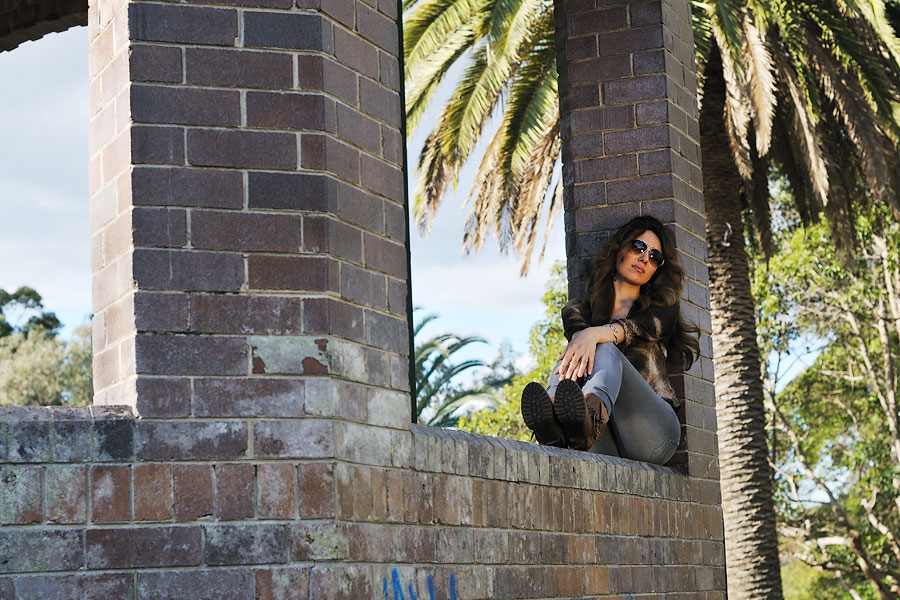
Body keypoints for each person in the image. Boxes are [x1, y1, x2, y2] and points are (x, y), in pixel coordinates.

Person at [520, 216, 700, 464]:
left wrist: (594, 334)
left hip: (656, 437)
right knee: (574, 352)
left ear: (657, 269)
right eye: (638, 246)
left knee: (603, 347)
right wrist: (586, 335)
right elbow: (578, 344)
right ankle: (553, 423)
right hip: (608, 441)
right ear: (620, 248)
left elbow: (631, 329)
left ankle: (587, 413)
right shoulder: (578, 311)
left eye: (655, 257)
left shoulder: (663, 309)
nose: (644, 258)